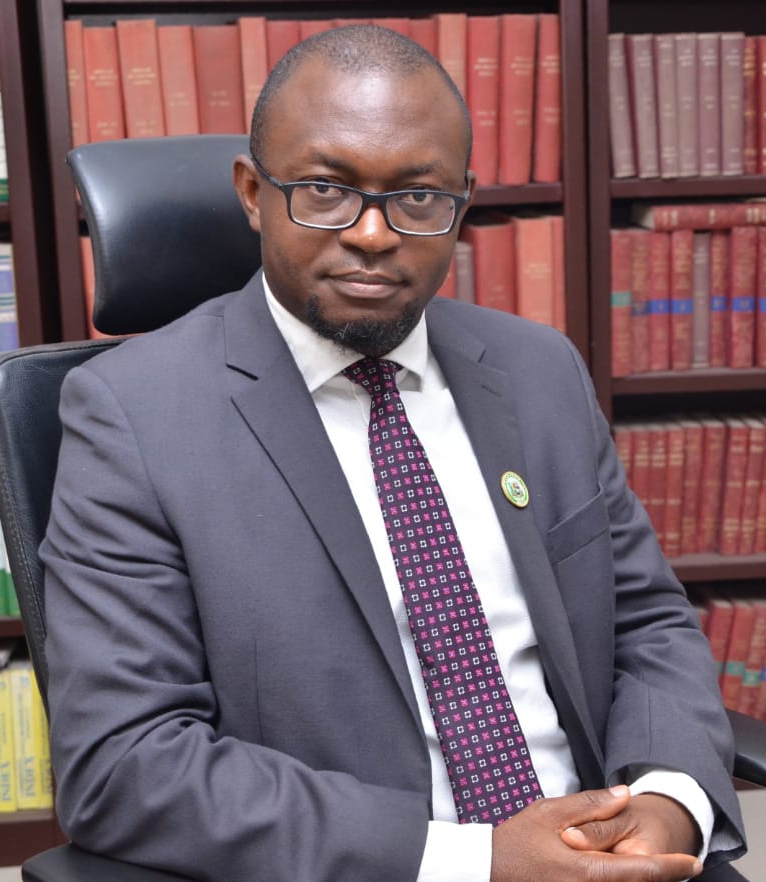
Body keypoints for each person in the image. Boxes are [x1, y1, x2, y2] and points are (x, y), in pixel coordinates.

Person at [41, 24, 746, 882]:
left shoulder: (540, 371)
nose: (373, 234)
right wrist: (476, 861)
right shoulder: (134, 414)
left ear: (462, 203)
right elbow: (124, 763)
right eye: (324, 190)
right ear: (253, 193)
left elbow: (645, 623)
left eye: (417, 196)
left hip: (606, 856)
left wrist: (669, 800)